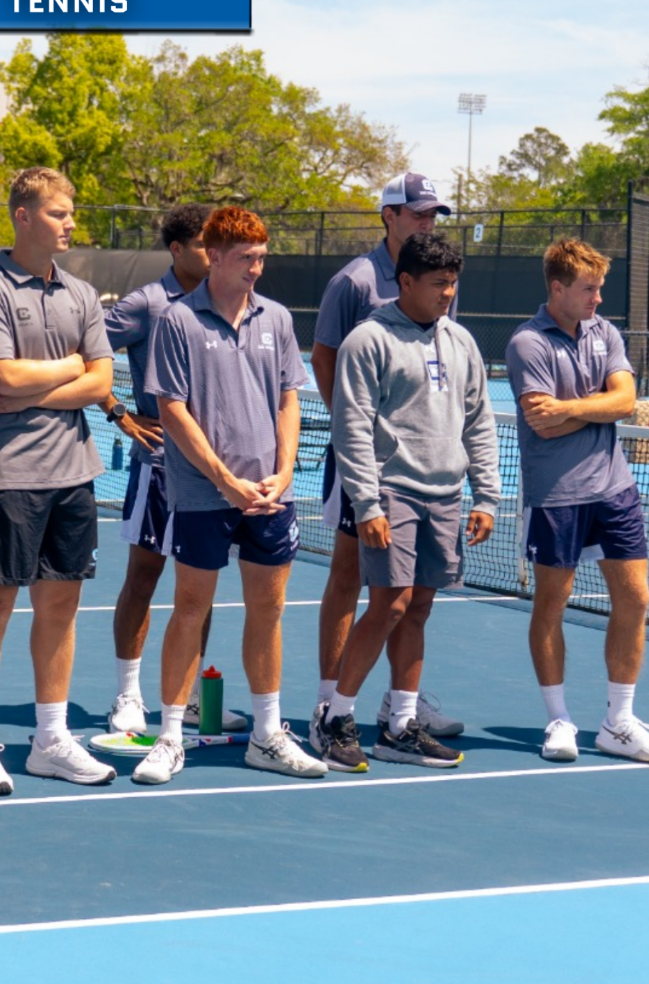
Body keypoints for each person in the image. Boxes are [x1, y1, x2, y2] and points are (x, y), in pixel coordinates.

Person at [135, 207, 325, 783]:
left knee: (269, 610)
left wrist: (285, 470)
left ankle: (267, 735)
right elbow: (172, 409)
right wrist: (224, 480)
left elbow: (291, 398)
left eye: (261, 257)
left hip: (270, 495)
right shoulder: (176, 322)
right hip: (203, 494)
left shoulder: (279, 320)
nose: (256, 269)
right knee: (190, 608)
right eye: (246, 258)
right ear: (213, 257)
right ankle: (170, 736)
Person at [0, 167, 117, 794]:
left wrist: (43, 383)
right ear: (23, 216)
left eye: (71, 212)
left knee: (62, 606)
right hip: (9, 475)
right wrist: (69, 369)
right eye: (58, 213)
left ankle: (50, 739)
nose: (70, 222)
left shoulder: (82, 293)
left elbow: (101, 384)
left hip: (75, 474)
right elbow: (3, 381)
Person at [314, 232, 500, 771]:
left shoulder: (461, 342)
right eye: (438, 283)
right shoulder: (367, 340)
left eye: (453, 283)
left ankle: (400, 726)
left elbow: (479, 421)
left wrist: (486, 495)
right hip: (390, 491)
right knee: (390, 604)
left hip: (446, 494)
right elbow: (351, 427)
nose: (447, 293)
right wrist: (367, 504)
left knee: (418, 607)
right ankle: (335, 717)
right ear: (407, 282)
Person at [309, 173, 466, 743]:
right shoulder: (353, 281)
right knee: (351, 578)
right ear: (389, 216)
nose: (427, 221)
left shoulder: (442, 277)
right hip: (365, 467)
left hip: (422, 473)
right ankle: (330, 702)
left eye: (433, 214)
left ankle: (400, 705)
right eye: (418, 213)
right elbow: (325, 360)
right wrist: (363, 438)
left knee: (409, 594)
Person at [507, 239, 649, 764]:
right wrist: (598, 409)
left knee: (636, 599)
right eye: (589, 289)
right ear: (557, 289)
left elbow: (627, 401)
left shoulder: (607, 333)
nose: (598, 298)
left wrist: (574, 409)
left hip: (615, 489)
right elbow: (541, 421)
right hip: (555, 495)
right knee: (551, 604)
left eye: (600, 288)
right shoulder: (527, 343)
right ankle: (559, 720)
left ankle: (618, 722)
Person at [99, 204, 245, 737]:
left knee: (198, 588)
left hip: (213, 475)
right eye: (205, 246)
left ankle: (182, 700)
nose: (215, 256)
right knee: (143, 578)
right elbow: (84, 350)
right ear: (177, 250)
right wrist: (118, 410)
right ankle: (128, 696)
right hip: (159, 469)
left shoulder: (230, 301)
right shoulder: (146, 304)